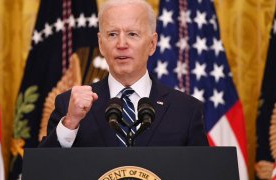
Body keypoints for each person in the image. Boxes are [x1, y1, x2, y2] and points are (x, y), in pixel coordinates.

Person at [39, 0, 208, 148]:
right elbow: (44, 171)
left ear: (152, 44)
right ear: (101, 43)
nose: (121, 44)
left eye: (132, 34)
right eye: (112, 34)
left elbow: (201, 172)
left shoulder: (186, 110)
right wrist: (70, 123)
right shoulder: (70, 107)